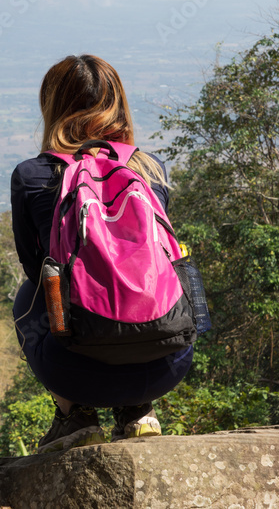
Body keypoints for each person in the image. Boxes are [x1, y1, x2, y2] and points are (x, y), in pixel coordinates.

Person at [10, 53, 193, 453]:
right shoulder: (149, 168)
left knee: (30, 295)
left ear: (52, 106)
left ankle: (75, 416)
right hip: (168, 364)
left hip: (73, 369)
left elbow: (32, 265)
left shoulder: (33, 175)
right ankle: (138, 412)